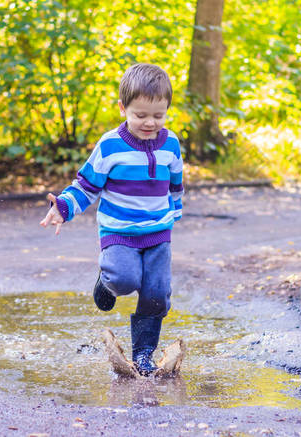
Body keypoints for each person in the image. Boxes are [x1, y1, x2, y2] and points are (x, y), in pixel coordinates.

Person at [39, 63, 184, 376]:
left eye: (158, 116)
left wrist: (175, 207)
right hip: (118, 232)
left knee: (157, 294)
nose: (150, 123)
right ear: (123, 108)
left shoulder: (171, 143)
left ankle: (143, 354)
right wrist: (63, 207)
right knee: (124, 279)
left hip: (158, 231)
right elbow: (87, 185)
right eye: (140, 115)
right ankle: (106, 283)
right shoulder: (109, 145)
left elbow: (175, 182)